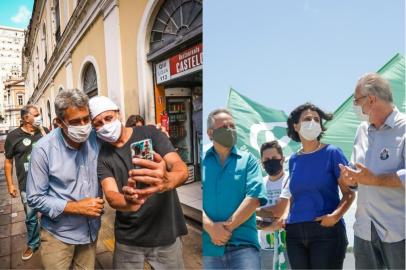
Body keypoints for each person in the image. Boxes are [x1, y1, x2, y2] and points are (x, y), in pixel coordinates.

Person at [89, 96, 189, 269]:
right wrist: (127, 201)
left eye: (108, 118)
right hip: (128, 239)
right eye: (98, 123)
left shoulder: (150, 133)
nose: (105, 126)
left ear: (118, 114)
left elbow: (180, 167)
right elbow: (111, 195)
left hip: (164, 232)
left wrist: (168, 180)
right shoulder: (103, 155)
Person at [26, 89, 104, 269]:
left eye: (86, 119)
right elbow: (35, 197)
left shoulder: (95, 138)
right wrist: (76, 207)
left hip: (91, 232)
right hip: (58, 235)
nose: (84, 126)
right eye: (76, 122)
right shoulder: (43, 150)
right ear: (59, 122)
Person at [339, 73, 405, 269]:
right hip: (364, 231)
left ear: (371, 99)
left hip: (398, 231)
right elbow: (359, 175)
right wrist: (350, 179)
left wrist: (374, 179)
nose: (355, 107)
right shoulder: (361, 130)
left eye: (356, 101)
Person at [283, 103, 355, 269]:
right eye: (307, 119)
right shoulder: (293, 160)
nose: (313, 122)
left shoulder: (332, 153)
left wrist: (334, 217)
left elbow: (349, 193)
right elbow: (295, 194)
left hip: (326, 232)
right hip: (294, 233)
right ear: (295, 126)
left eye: (317, 119)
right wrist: (287, 217)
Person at [202, 108, 267, 270]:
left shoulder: (249, 161)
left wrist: (224, 229)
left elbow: (254, 198)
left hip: (244, 246)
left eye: (233, 126)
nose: (231, 130)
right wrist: (211, 228)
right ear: (210, 133)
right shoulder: (203, 161)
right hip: (209, 248)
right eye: (225, 127)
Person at [4, 105, 48, 260]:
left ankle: (53, 239)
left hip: (48, 183)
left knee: (51, 212)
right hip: (27, 185)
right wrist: (10, 184)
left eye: (39, 114)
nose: (39, 117)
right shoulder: (13, 136)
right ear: (25, 118)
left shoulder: (44, 131)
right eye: (36, 114)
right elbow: (8, 162)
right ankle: (33, 243)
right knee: (31, 217)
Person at [256, 140, 290, 270]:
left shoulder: (290, 179)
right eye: (267, 159)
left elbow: (281, 212)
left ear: (282, 159)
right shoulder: (259, 185)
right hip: (266, 248)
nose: (271, 161)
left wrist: (256, 212)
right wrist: (270, 225)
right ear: (262, 163)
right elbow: (250, 218)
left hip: (290, 247)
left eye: (274, 158)